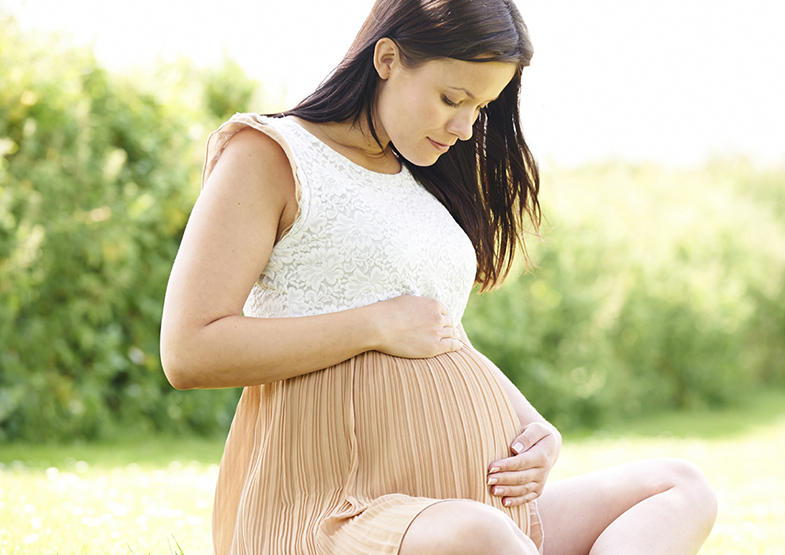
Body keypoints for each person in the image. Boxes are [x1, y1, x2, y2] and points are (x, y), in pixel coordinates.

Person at [159, 0, 717, 553]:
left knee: (678, 486)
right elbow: (189, 349)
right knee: (479, 535)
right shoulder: (272, 154)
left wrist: (532, 425)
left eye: (480, 107)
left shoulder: (421, 177)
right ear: (387, 59)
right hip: (337, 510)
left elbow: (435, 330)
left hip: (471, 506)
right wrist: (373, 324)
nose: (465, 127)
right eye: (452, 98)